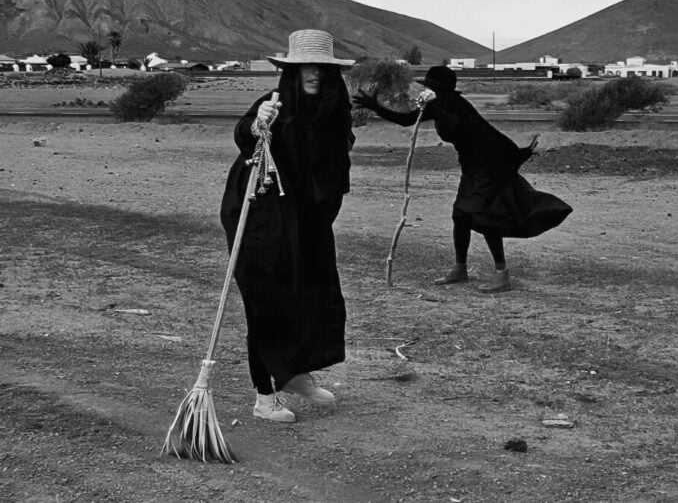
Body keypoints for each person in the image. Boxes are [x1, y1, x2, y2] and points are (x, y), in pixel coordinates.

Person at [220, 29, 355, 423]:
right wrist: (256, 125)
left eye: (321, 68)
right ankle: (265, 395)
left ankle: (294, 374)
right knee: (266, 303)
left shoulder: (334, 110)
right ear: (291, 71)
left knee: (312, 295)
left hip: (308, 222)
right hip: (262, 219)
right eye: (305, 67)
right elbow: (244, 133)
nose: (313, 73)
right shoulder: (274, 104)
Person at [353, 65, 572, 293]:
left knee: (486, 216)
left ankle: (501, 274)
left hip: (492, 162)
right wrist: (375, 106)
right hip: (473, 165)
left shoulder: (454, 105)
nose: (427, 89)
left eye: (431, 87)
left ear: (440, 89)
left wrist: (433, 104)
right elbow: (407, 120)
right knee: (460, 215)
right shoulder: (438, 104)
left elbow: (454, 124)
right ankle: (460, 269)